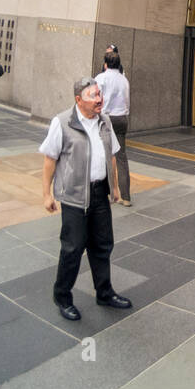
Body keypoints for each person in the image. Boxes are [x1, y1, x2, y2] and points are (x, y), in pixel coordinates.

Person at [40, 77, 130, 322]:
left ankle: (104, 292)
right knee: (73, 247)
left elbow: (112, 155)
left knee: (102, 244)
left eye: (99, 94)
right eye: (93, 96)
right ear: (79, 100)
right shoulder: (62, 123)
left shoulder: (105, 121)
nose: (99, 99)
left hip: (100, 192)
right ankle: (62, 296)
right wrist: (47, 193)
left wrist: (115, 186)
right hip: (74, 195)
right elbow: (50, 159)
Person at [95, 50, 132, 206]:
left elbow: (94, 98)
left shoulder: (101, 78)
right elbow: (127, 101)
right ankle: (126, 197)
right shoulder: (124, 80)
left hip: (106, 118)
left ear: (105, 64)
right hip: (122, 118)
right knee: (121, 157)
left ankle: (106, 193)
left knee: (104, 155)